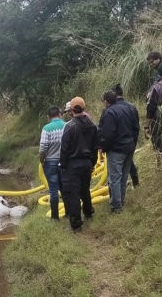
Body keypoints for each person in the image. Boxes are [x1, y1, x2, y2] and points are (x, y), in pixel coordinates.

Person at [60, 97, 98, 232]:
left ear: (71, 110)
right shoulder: (92, 125)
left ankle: (76, 224)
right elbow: (95, 147)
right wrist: (92, 163)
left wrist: (63, 166)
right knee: (85, 189)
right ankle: (88, 212)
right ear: (84, 108)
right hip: (87, 163)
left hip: (72, 164)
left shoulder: (69, 127)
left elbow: (64, 149)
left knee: (73, 193)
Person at [100, 91, 139, 213]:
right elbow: (136, 128)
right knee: (124, 176)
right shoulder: (129, 108)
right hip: (129, 147)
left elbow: (109, 134)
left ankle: (116, 206)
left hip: (117, 149)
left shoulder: (109, 112)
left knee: (115, 178)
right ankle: (121, 201)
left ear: (106, 101)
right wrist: (133, 144)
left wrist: (104, 148)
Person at [39, 106, 66, 220]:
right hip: (65, 162)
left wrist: (42, 159)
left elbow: (43, 147)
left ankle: (54, 217)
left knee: (53, 190)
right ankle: (68, 212)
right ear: (60, 114)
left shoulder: (47, 128)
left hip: (50, 162)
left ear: (48, 116)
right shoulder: (67, 125)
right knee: (65, 187)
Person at [112, 84, 140, 188]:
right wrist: (134, 142)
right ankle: (135, 182)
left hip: (117, 144)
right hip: (130, 141)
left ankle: (118, 191)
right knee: (129, 161)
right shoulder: (132, 107)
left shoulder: (111, 108)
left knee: (117, 168)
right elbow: (136, 127)